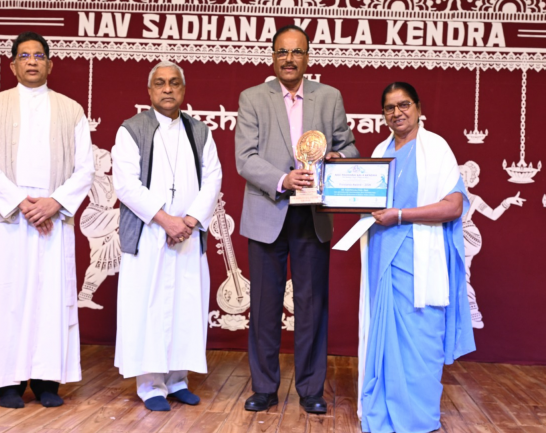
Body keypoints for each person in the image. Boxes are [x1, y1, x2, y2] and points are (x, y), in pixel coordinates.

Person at [235, 25, 359, 414]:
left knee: (312, 305)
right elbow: (245, 157)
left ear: (308, 57)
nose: (289, 59)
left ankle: (310, 390)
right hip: (267, 211)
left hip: (312, 215)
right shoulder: (252, 97)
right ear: (273, 56)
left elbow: (349, 146)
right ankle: (264, 388)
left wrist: (339, 159)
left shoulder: (329, 96)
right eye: (282, 52)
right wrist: (282, 179)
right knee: (264, 307)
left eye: (297, 52)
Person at [0, 31, 94, 408]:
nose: (32, 62)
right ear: (13, 65)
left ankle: (45, 381)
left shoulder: (71, 109)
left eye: (39, 55)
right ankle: (7, 383)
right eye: (24, 56)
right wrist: (22, 203)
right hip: (8, 217)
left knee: (50, 299)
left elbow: (85, 169)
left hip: (53, 216)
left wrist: (54, 203)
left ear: (49, 64)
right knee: (6, 297)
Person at [356, 82, 475, 432]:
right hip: (382, 256)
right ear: (383, 114)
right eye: (389, 107)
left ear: (419, 108)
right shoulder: (379, 151)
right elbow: (367, 200)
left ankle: (417, 418)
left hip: (421, 258)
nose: (397, 113)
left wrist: (401, 215)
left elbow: (453, 206)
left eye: (404, 104)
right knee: (384, 336)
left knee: (422, 337)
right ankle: (382, 410)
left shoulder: (436, 148)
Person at [112, 61, 223, 412]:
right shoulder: (131, 129)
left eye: (174, 83)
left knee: (185, 307)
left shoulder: (200, 132)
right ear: (149, 90)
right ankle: (150, 386)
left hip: (187, 236)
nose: (167, 89)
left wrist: (188, 221)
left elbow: (213, 178)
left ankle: (177, 381)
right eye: (160, 83)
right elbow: (126, 185)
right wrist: (165, 220)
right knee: (149, 307)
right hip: (149, 234)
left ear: (183, 90)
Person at [459, 161, 525, 329]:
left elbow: (493, 214)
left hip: (467, 236)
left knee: (459, 273)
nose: (459, 177)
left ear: (470, 179)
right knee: (460, 274)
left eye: (463, 174)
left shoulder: (474, 199)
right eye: (457, 173)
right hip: (456, 237)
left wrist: (506, 202)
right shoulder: (447, 197)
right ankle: (468, 312)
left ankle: (470, 313)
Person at [77, 145, 121, 310]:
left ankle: (85, 296)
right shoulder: (91, 179)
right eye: (108, 161)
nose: (111, 163)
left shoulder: (112, 179)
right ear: (98, 163)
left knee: (101, 260)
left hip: (107, 220)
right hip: (94, 218)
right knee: (125, 214)